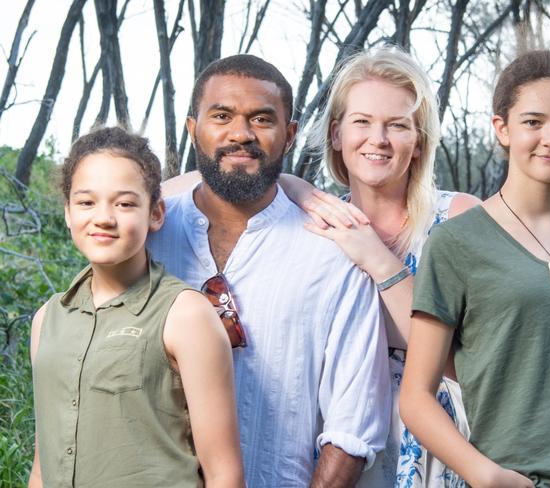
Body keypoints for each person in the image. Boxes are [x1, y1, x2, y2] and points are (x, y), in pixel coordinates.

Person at [400, 50, 550, 488]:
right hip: (523, 479)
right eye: (533, 121)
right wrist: (487, 476)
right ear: (502, 129)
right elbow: (416, 398)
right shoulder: (456, 243)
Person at [147, 54, 391, 487]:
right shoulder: (148, 239)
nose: (240, 134)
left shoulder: (332, 253)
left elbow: (354, 424)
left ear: (290, 135)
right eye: (221, 116)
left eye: (262, 119)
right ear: (193, 128)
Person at [275, 47, 479, 488]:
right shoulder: (316, 226)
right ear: (336, 134)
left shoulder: (461, 221)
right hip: (339, 450)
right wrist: (290, 184)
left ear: (420, 140)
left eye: (398, 125)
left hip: (440, 454)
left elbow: (477, 363)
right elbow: (190, 184)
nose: (378, 139)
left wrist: (379, 261)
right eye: (362, 122)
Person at [28, 127, 244, 487]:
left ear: (156, 213)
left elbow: (225, 474)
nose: (104, 218)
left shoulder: (185, 314)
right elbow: (43, 463)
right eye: (86, 202)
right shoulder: (46, 319)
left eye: (125, 203)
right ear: (67, 213)